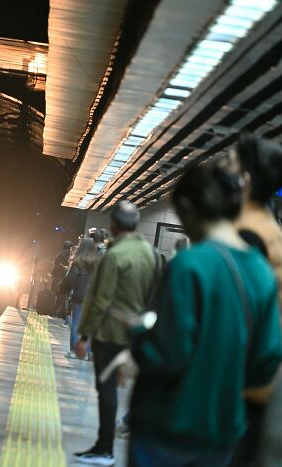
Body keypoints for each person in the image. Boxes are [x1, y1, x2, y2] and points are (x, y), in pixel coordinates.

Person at [128, 159, 282, 466]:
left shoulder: (190, 265)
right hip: (222, 434)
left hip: (167, 425)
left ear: (186, 207)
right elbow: (265, 364)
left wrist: (138, 332)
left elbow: (168, 354)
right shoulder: (262, 273)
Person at [73, 201, 160, 466]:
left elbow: (99, 300)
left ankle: (104, 449)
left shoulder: (113, 255)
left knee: (107, 388)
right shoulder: (150, 253)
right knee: (133, 390)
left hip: (110, 334)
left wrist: (84, 335)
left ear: (113, 225)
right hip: (137, 333)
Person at [234, 134, 282, 466]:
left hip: (241, 376)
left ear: (245, 178)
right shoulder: (269, 226)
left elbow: (235, 314)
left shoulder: (248, 233)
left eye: (229, 167)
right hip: (260, 369)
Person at [59, 237, 100, 358]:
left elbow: (70, 280)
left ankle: (76, 352)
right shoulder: (99, 264)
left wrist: (64, 290)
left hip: (80, 297)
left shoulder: (78, 263)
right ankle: (88, 352)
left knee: (76, 324)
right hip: (94, 299)